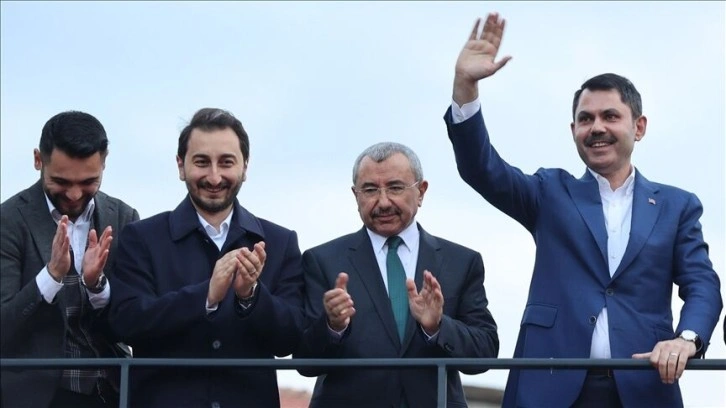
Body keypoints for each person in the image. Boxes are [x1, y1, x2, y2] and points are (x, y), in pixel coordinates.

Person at [444, 13, 723, 408]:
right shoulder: (549, 192)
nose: (596, 127)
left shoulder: (677, 206)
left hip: (643, 386)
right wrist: (465, 87)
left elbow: (702, 284)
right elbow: (481, 168)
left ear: (639, 127)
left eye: (610, 116)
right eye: (585, 119)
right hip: (549, 388)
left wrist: (687, 339)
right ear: (573, 130)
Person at [108, 108, 306, 408]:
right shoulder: (141, 238)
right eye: (202, 162)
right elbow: (126, 323)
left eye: (226, 162)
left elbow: (290, 339)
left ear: (245, 167)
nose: (214, 177)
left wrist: (251, 297)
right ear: (181, 166)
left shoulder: (280, 242)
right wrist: (206, 295)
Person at [294, 142, 499, 408]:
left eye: (395, 187)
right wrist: (333, 326)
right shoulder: (322, 260)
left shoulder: (461, 262)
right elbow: (304, 361)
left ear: (421, 192)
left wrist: (438, 327)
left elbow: (485, 351)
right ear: (356, 196)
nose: (383, 202)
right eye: (370, 190)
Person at [1, 111, 139, 408]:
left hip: (113, 389)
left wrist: (97, 286)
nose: (75, 194)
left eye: (89, 181)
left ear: (104, 162)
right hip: (37, 395)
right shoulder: (8, 221)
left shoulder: (124, 217)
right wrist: (51, 276)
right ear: (38, 160)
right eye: (61, 181)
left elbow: (132, 322)